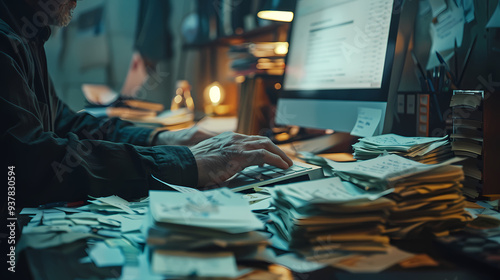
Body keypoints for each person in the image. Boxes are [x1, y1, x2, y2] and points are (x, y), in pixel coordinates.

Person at [0, 0, 293, 209]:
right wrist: (185, 163)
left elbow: (65, 123)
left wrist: (162, 137)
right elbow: (29, 162)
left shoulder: (25, 37)